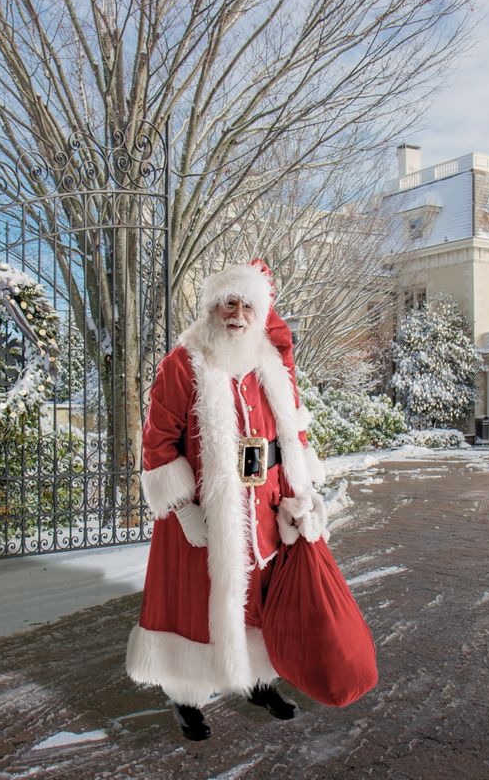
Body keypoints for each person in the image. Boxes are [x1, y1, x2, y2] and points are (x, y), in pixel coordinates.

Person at [125, 262, 328, 740]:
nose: (238, 315)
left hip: (262, 511)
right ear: (213, 308)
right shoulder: (182, 363)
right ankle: (186, 696)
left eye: (248, 306)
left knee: (260, 600)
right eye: (229, 304)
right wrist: (180, 508)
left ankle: (258, 680)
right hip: (203, 515)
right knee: (194, 608)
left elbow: (291, 431)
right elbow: (157, 443)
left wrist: (299, 495)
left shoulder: (270, 363)